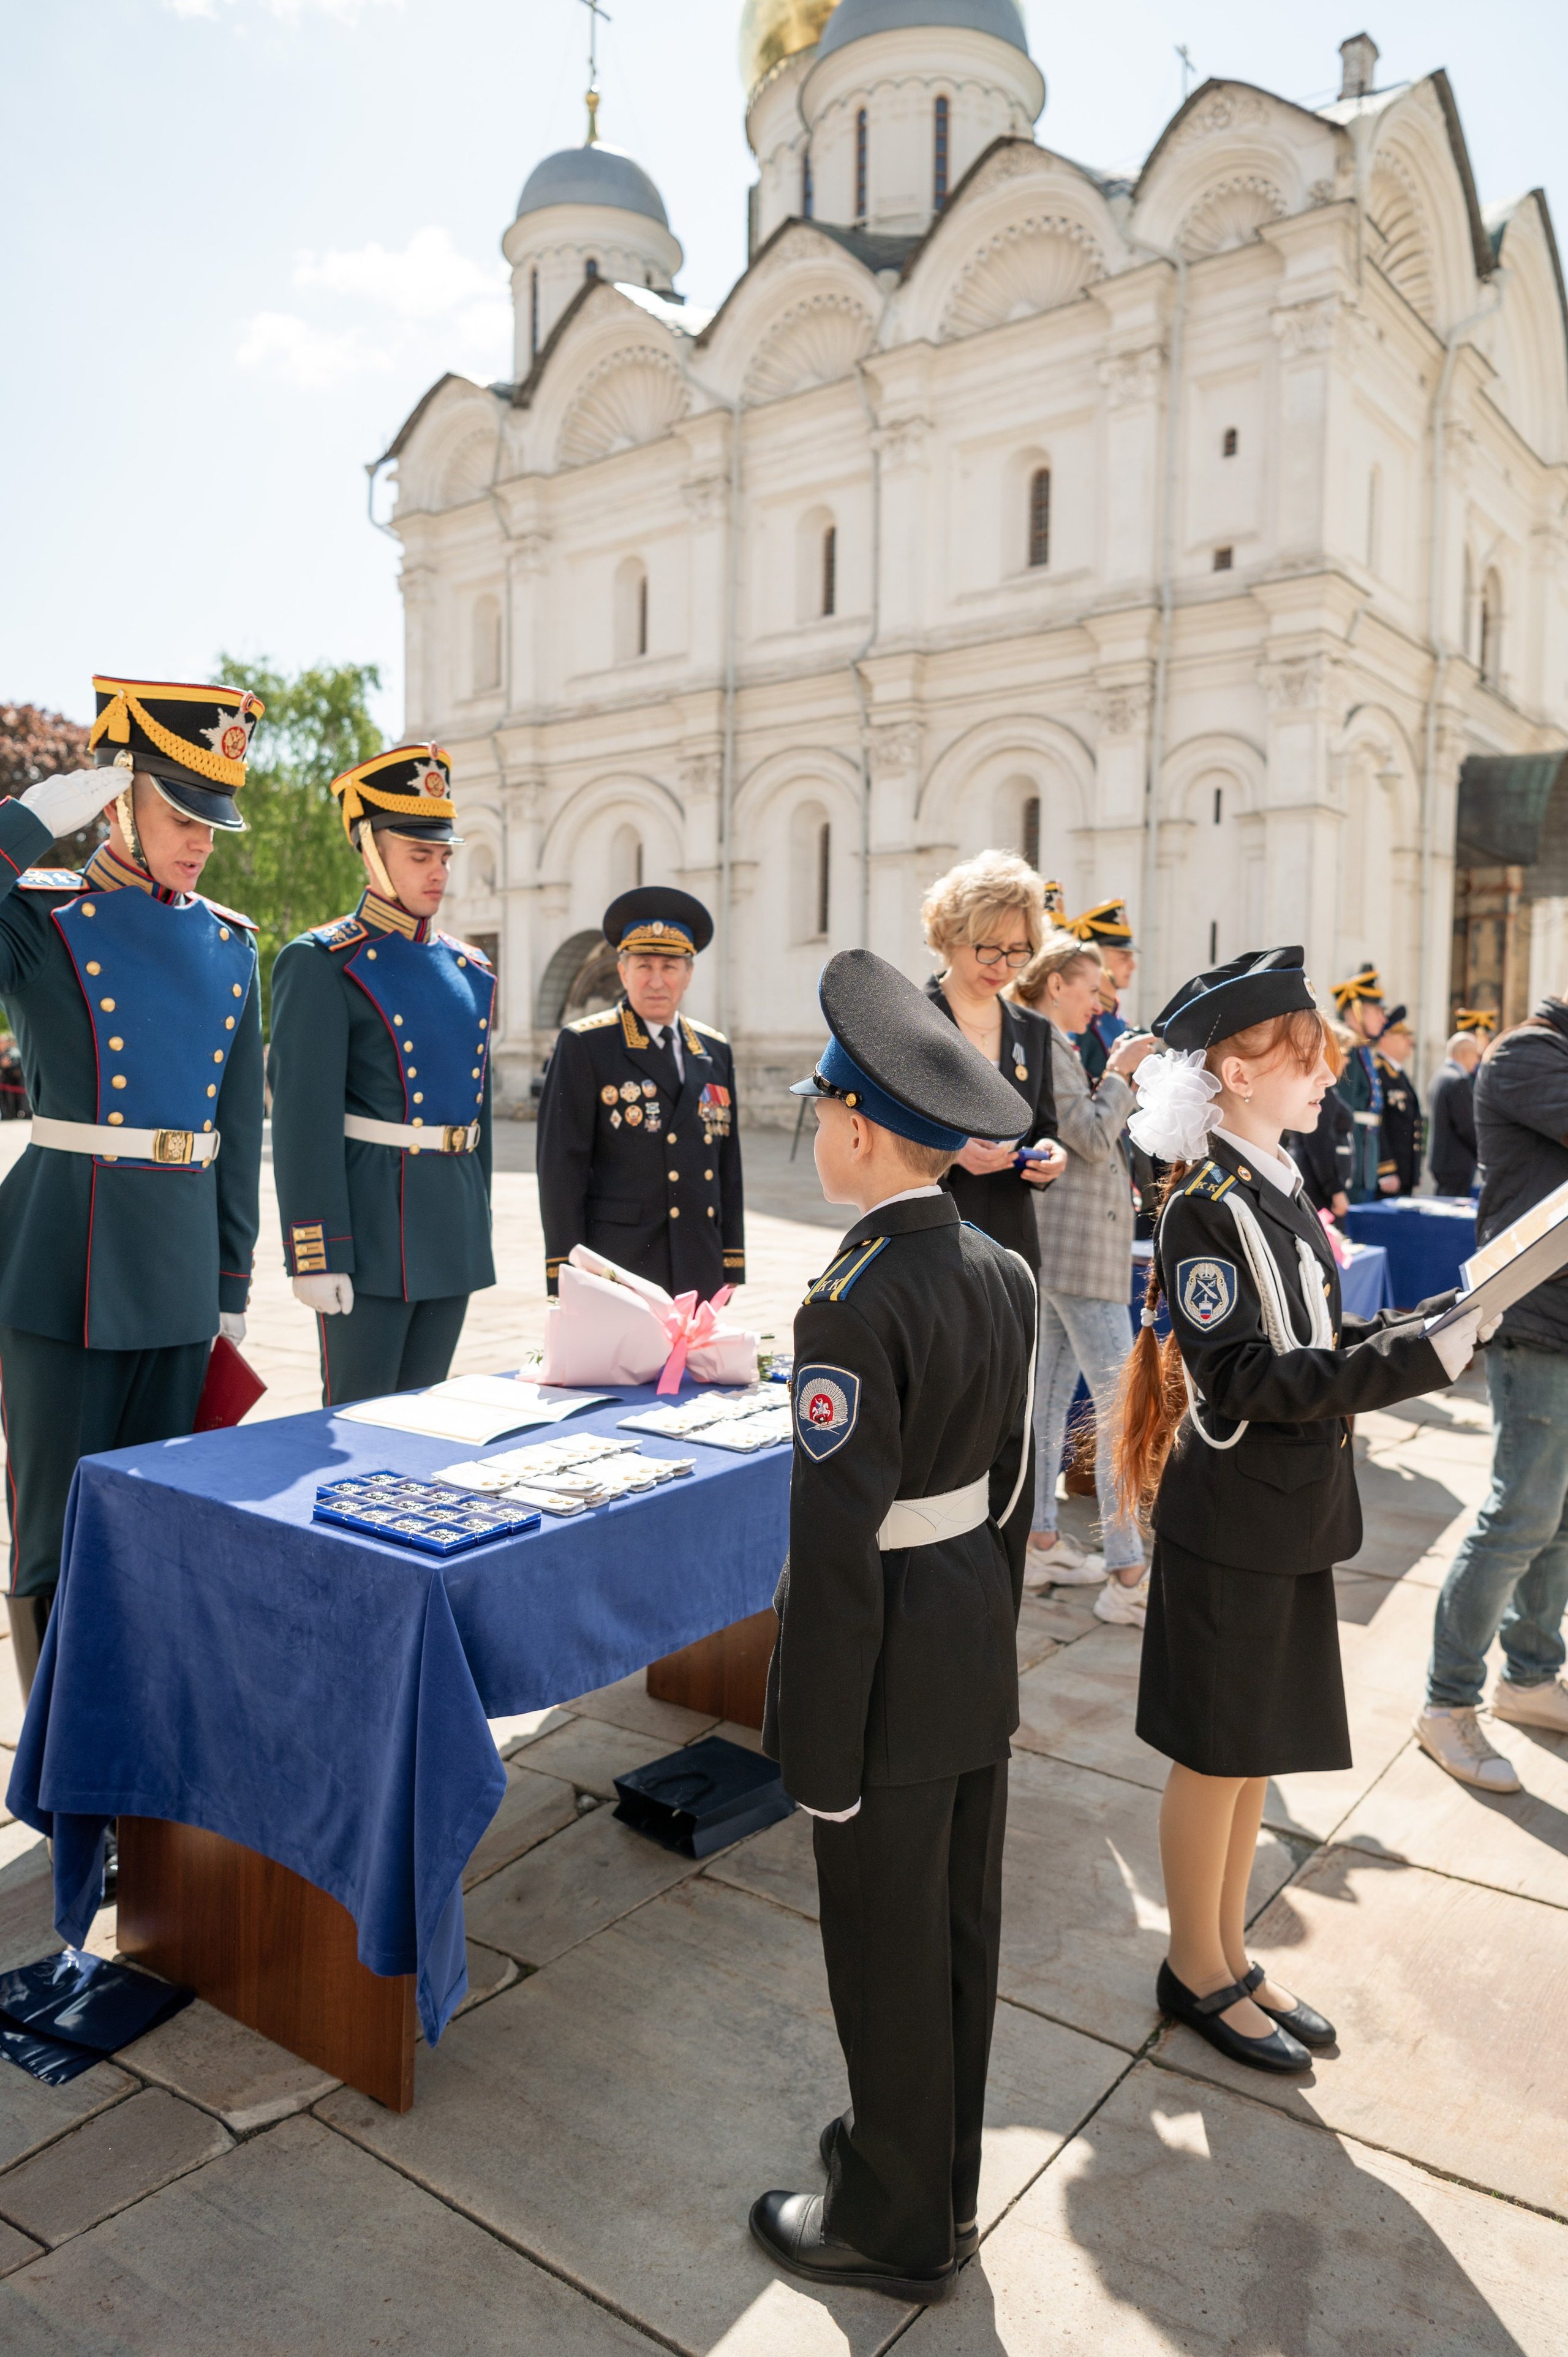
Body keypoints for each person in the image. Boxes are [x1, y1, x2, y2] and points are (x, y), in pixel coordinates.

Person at [1115, 947, 1482, 2075]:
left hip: (1283, 1512)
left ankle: (1229, 1951)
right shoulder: (1206, 1207)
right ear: (1232, 1071)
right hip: (1234, 1515)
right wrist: (1420, 1362)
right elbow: (1251, 1382)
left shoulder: (1270, 1181)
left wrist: (1433, 1320)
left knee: (1250, 1753)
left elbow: (1318, 1344)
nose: (1328, 1071)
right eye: (1304, 1055)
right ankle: (1195, 1964)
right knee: (1214, 1753)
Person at [752, 948, 1036, 2306]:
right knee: (955, 1943)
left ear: (859, 1127)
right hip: (969, 1643)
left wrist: (816, 1747)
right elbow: (1014, 1487)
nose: (819, 1132)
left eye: (821, 1113)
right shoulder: (995, 1268)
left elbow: (832, 1552)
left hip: (880, 1677)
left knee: (880, 1954)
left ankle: (887, 2219)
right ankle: (935, 2180)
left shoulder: (846, 1302)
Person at [0, 673, 265, 1700]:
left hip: (175, 1269)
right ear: (118, 802)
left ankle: (136, 1745)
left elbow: (239, 1128)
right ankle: (63, 1785)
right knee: (54, 1538)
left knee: (155, 1526)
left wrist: (231, 1281)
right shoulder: (49, 921)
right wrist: (28, 820)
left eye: (214, 820)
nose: (201, 838)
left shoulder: (234, 945)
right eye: (180, 812)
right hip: (62, 1259)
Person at [268, 744, 497, 1409]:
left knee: (424, 1420)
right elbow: (302, 1121)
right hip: (370, 1232)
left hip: (448, 1224)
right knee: (358, 1422)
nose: (438, 871)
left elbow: (473, 1114)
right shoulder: (323, 962)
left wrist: (475, 1225)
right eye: (419, 854)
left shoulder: (470, 968)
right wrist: (315, 1251)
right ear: (371, 850)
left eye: (444, 855)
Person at [1415, 995, 1568, 1791]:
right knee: (1521, 1514)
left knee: (1561, 1518)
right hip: (1536, 1317)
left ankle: (1532, 1677)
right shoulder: (1526, 1054)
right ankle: (1447, 1704)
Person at [1009, 930, 1154, 1616]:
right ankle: (1127, 1577)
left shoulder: (1049, 1043)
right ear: (1055, 982)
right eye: (1090, 989)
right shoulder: (1045, 1041)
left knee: (1049, 1400)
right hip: (1075, 1250)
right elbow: (1092, 1136)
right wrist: (1122, 1071)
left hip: (1069, 1247)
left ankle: (1038, 1542)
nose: (1098, 1004)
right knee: (1121, 1404)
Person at [535, 887, 742, 1300]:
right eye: (643, 965)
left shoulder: (713, 1049)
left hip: (697, 1258)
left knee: (692, 1366)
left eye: (669, 966)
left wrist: (731, 1260)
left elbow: (727, 1165)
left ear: (688, 974)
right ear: (623, 971)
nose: (656, 980)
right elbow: (561, 1168)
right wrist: (565, 1274)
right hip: (619, 1263)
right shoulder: (586, 1044)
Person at [920, 850, 1066, 1268]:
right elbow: (879, 1131)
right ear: (950, 935)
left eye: (1018, 951)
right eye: (988, 948)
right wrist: (951, 1151)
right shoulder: (910, 1018)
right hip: (930, 1238)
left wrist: (1051, 1152)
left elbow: (1045, 1124)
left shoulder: (1033, 1029)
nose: (1002, 965)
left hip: (1011, 1244)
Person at [1063, 899, 1137, 1084]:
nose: (1133, 965)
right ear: (1097, 960)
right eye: (1124, 957)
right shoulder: (1081, 1026)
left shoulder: (1119, 1021)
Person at [1330, 966, 1387, 1201]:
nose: (1383, 1018)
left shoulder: (1361, 1050)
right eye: (1377, 1011)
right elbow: (1341, 1110)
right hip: (1352, 1157)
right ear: (1356, 1011)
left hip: (1365, 1153)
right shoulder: (1348, 1052)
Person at [1427, 1020, 1486, 1195]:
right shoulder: (1457, 1081)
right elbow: (1466, 1125)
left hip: (1444, 1161)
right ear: (1466, 1053)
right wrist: (1484, 1151)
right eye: (1476, 1056)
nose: (1477, 1062)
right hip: (1456, 1163)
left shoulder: (1440, 1076)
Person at [1374, 1006, 1423, 1196]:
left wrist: (1415, 1169)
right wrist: (1385, 1169)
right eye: (1403, 1036)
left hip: (1404, 1173)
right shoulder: (1380, 1075)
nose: (1410, 1042)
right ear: (1385, 1038)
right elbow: (1379, 1125)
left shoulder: (1399, 1075)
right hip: (1390, 1176)